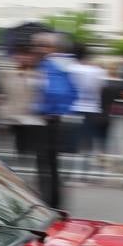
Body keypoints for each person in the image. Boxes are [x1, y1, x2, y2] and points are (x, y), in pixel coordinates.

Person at [32, 33, 77, 209]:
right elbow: (72, 93)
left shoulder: (52, 64)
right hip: (58, 118)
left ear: (54, 48)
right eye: (38, 45)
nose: (40, 49)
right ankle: (54, 202)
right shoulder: (66, 64)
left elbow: (55, 91)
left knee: (46, 164)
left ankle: (49, 203)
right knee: (51, 164)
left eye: (44, 45)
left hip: (50, 119)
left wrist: (44, 109)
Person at [0, 48, 44, 167]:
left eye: (29, 56)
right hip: (14, 116)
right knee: (17, 147)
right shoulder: (7, 73)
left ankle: (26, 167)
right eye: (22, 55)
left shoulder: (40, 74)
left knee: (29, 148)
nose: (26, 58)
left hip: (32, 117)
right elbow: (5, 91)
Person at [68, 44, 106, 165]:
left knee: (73, 141)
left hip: (73, 107)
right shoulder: (98, 71)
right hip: (92, 108)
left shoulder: (70, 69)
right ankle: (85, 173)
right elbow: (100, 90)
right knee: (88, 142)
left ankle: (72, 172)